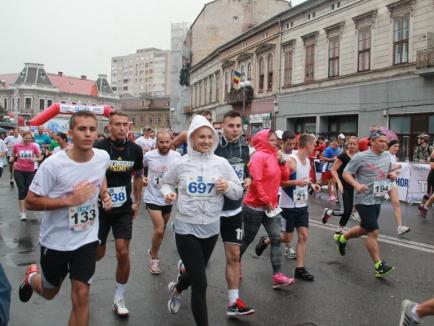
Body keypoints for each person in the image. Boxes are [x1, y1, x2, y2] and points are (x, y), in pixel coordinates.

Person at [18, 110, 111, 326]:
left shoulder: (102, 157)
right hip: (56, 241)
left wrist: (104, 194)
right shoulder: (53, 165)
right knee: (50, 292)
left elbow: (100, 175)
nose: (87, 134)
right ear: (70, 133)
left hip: (86, 239)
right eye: (81, 129)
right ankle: (32, 277)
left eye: (91, 129)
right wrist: (70, 201)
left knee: (82, 296)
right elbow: (31, 201)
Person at [162, 115, 243, 326]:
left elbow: (238, 192)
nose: (206, 141)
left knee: (193, 271)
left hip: (211, 228)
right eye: (201, 137)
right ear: (191, 138)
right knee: (201, 282)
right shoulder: (181, 164)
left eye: (209, 137)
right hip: (186, 228)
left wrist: (227, 186)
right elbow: (166, 183)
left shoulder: (221, 164)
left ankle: (177, 288)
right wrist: (168, 193)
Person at [94, 111, 144, 317]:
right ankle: (82, 279)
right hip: (100, 207)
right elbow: (91, 174)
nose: (123, 128)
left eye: (126, 124)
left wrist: (137, 201)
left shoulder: (135, 150)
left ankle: (119, 297)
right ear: (109, 127)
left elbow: (139, 176)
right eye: (118, 124)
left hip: (123, 207)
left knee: (123, 251)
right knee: (98, 253)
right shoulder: (99, 148)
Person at [256, 133, 319, 281]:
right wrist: (297, 182)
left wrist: (312, 184)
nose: (315, 147)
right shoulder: (292, 161)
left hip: (302, 205)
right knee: (286, 237)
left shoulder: (308, 162)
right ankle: (265, 240)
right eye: (314, 144)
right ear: (307, 145)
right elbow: (280, 182)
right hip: (288, 206)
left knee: (304, 236)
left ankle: (300, 268)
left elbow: (304, 179)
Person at [334, 129, 396, 278]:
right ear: (372, 141)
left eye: (386, 142)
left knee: (364, 229)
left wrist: (390, 175)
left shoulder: (387, 156)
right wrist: (356, 184)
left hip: (377, 198)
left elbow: (385, 173)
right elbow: (346, 173)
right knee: (373, 231)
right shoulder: (361, 157)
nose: (384, 144)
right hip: (363, 199)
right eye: (381, 141)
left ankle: (342, 238)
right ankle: (378, 266)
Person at [240, 129, 294, 289]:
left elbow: (284, 178)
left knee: (276, 238)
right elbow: (256, 182)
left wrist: (282, 163)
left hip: (271, 207)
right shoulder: (258, 157)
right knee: (247, 239)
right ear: (262, 141)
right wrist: (266, 201)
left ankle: (277, 275)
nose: (275, 143)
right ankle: (235, 263)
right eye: (271, 140)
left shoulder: (274, 155)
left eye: (275, 140)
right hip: (254, 206)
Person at [213, 110, 255, 316]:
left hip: (234, 209)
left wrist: (248, 179)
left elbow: (245, 169)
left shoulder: (245, 145)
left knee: (234, 256)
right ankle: (183, 275)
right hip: (212, 211)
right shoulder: (214, 145)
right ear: (222, 126)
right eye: (231, 126)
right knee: (200, 260)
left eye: (238, 126)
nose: (235, 130)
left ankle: (233, 302)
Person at [142, 130, 180, 274]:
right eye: (161, 142)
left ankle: (153, 249)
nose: (164, 145)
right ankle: (154, 258)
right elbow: (141, 168)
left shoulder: (176, 156)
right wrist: (144, 177)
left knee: (162, 229)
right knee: (159, 229)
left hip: (167, 197)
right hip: (152, 196)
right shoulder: (149, 156)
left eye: (167, 142)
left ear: (171, 141)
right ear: (156, 142)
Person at [322, 136, 358, 233]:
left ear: (357, 145)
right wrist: (338, 182)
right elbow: (333, 170)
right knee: (344, 211)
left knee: (349, 211)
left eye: (354, 144)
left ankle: (339, 230)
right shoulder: (343, 156)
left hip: (352, 186)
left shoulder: (358, 157)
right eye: (351, 143)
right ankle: (328, 212)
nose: (352, 146)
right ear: (347, 144)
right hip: (342, 185)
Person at [9, 131, 42, 221]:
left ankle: (24, 208)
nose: (27, 139)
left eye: (29, 138)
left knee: (27, 190)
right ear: (22, 137)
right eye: (26, 138)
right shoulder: (17, 146)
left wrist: (35, 159)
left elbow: (40, 157)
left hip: (30, 171)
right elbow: (13, 156)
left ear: (31, 138)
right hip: (19, 170)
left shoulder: (34, 146)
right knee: (21, 189)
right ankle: (23, 212)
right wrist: (12, 159)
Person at [387, 139, 410, 235]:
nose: (397, 148)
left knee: (396, 203)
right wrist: (395, 168)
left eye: (398, 146)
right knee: (375, 204)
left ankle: (400, 227)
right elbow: (382, 168)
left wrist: (395, 173)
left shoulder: (393, 156)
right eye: (394, 146)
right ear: (389, 146)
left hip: (391, 182)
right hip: (382, 182)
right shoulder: (386, 155)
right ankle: (366, 223)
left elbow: (392, 169)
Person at [419, 151, 434, 217]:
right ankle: (423, 206)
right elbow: (432, 166)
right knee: (429, 194)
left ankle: (424, 207)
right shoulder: (433, 154)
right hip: (432, 177)